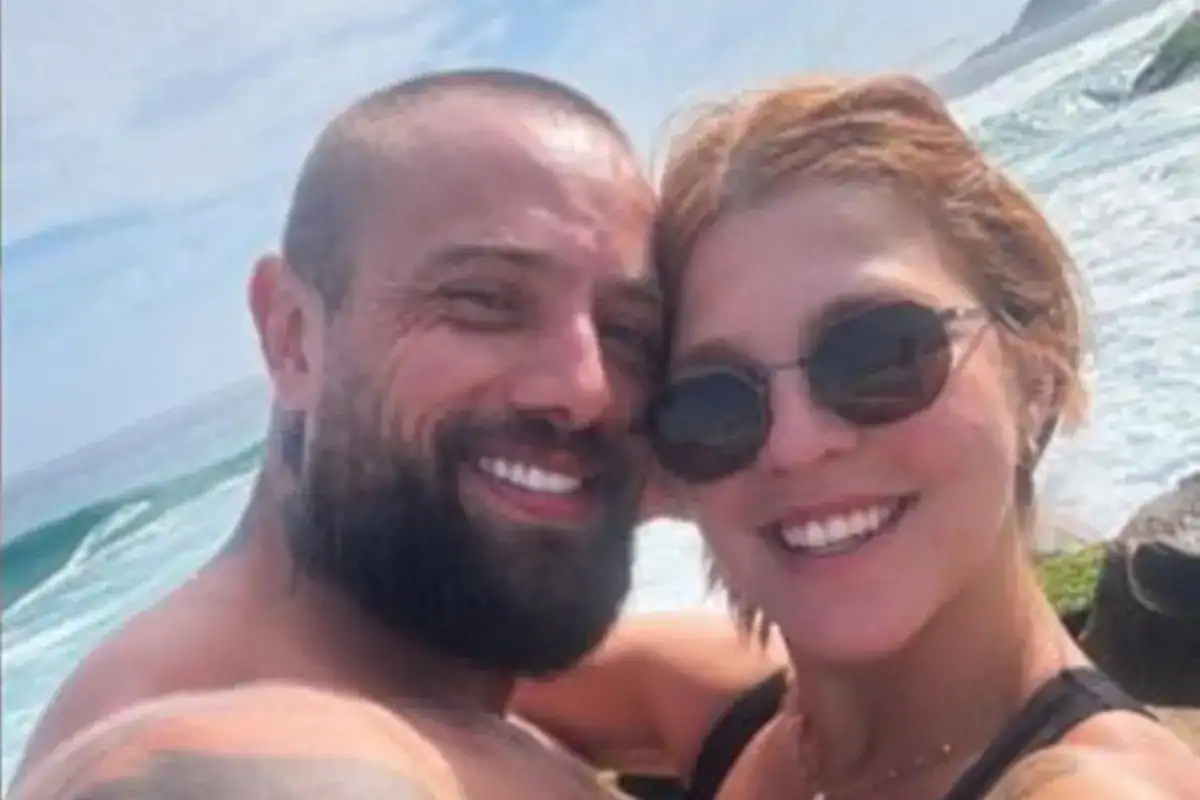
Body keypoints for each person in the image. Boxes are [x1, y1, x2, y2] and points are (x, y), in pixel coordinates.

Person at [510, 74, 1200, 799]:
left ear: (1035, 370)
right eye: (714, 406)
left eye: (879, 357)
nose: (796, 444)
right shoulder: (739, 712)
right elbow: (443, 674)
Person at [11, 67, 670, 799]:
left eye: (628, 331)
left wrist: (729, 471)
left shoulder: (431, 664)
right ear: (293, 338)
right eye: (484, 299)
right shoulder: (191, 748)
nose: (585, 389)